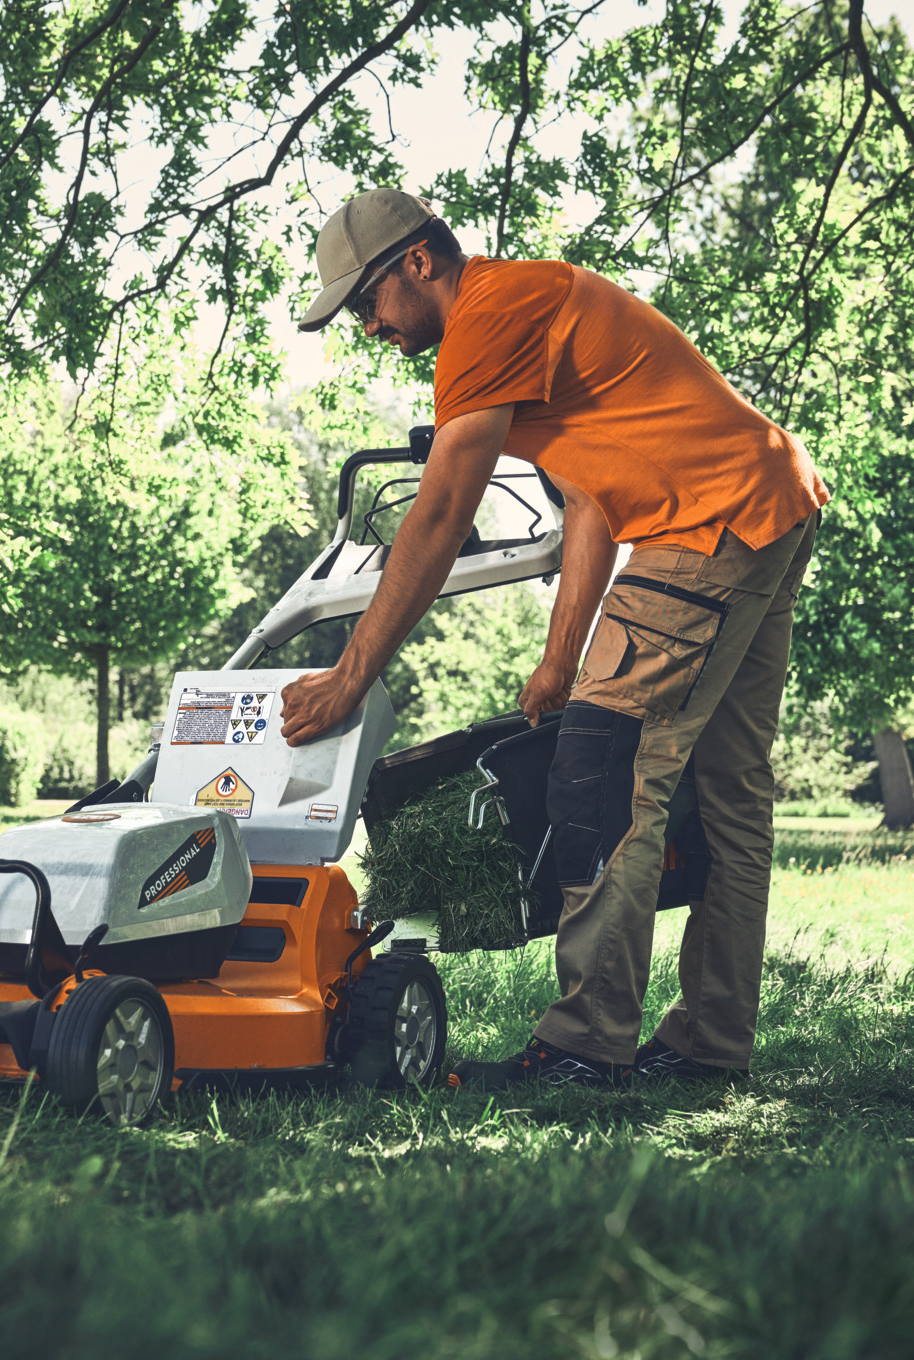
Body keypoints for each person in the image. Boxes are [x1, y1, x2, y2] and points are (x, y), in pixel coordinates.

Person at [277, 188, 829, 1089]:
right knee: (730, 791)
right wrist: (559, 660)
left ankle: (587, 1042)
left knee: (606, 769)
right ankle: (709, 1044)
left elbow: (444, 508)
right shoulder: (522, 307)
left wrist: (351, 673)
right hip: (764, 500)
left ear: (419, 261)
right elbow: (586, 500)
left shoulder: (486, 317)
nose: (368, 327)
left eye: (366, 301)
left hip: (705, 524)